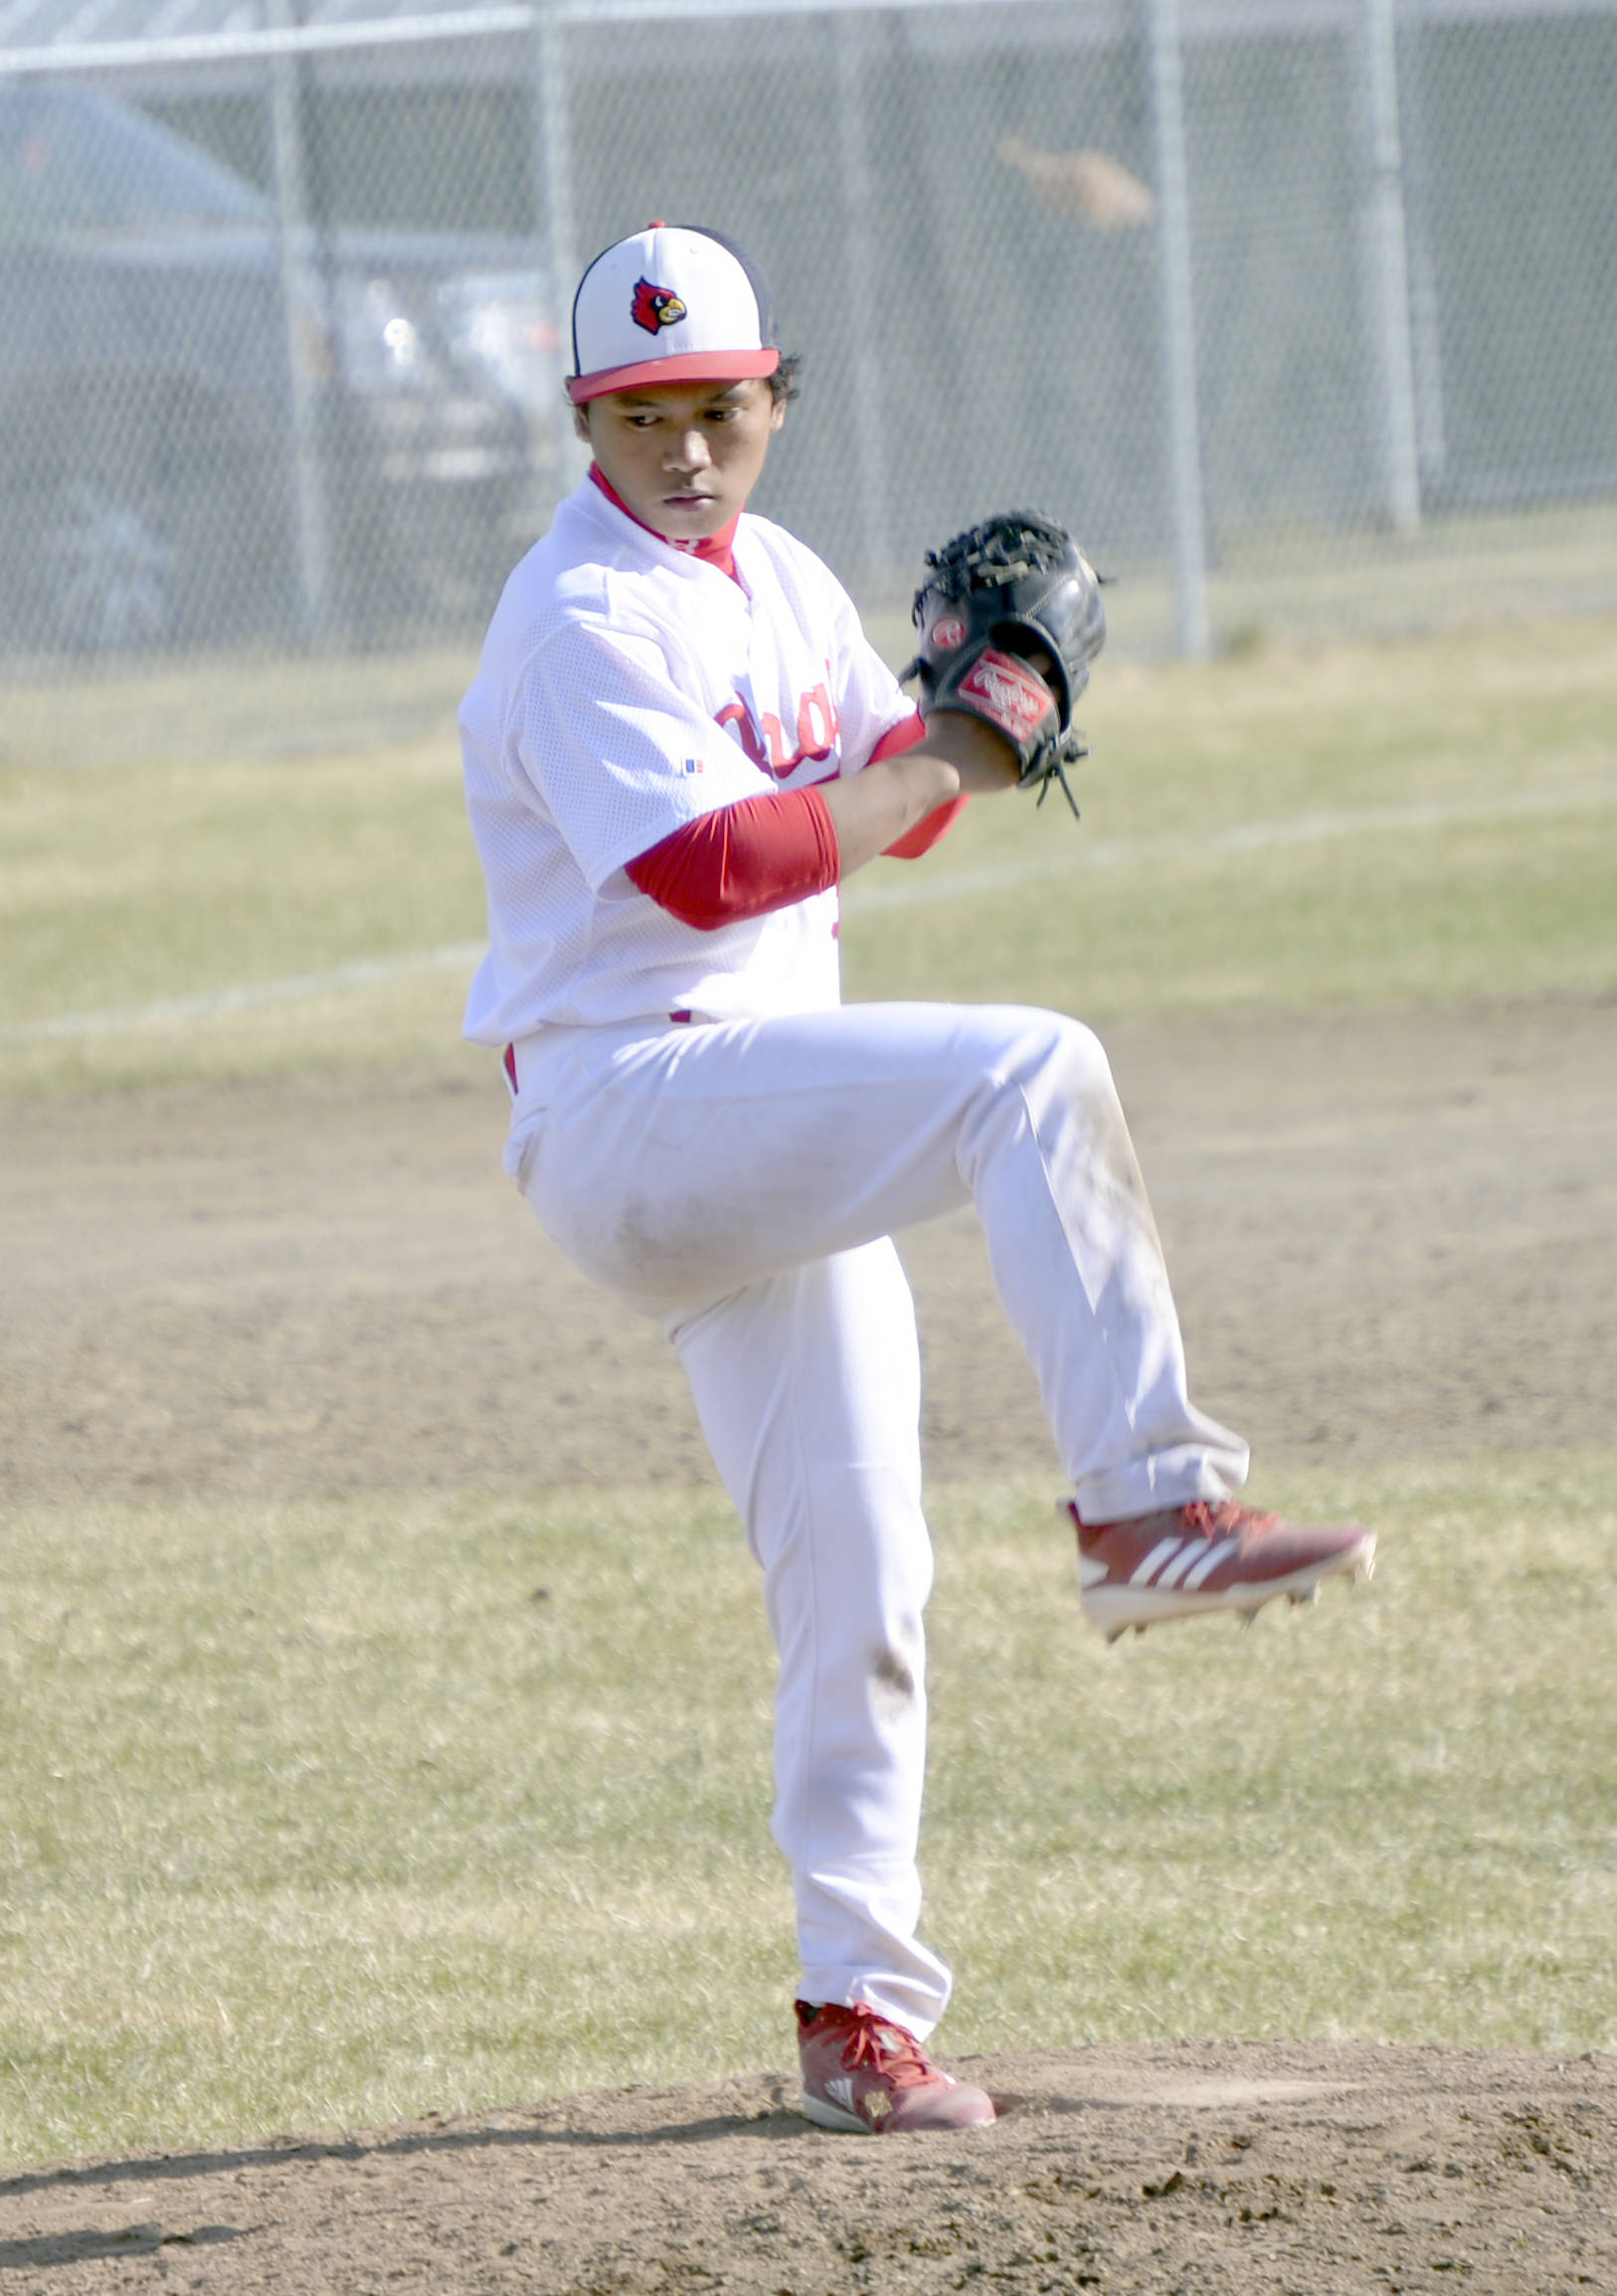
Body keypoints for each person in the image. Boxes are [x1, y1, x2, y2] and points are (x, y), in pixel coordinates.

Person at [457, 222, 1373, 2136]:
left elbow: (900, 792)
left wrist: (978, 713)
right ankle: (1147, 1507)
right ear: (582, 424)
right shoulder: (578, 618)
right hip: (634, 1113)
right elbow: (721, 868)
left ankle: (853, 2018)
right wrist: (956, 739)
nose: (683, 451)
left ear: (773, 402)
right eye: (640, 420)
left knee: (865, 1575)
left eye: (717, 409)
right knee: (1030, 1069)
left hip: (757, 1120)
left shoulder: (774, 578)